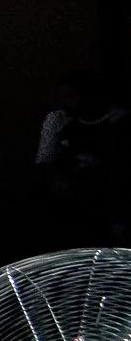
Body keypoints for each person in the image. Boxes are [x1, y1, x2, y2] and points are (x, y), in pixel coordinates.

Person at [35, 70, 130, 249]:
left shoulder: (118, 126)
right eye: (61, 97)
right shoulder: (68, 128)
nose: (65, 103)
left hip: (109, 207)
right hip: (76, 210)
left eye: (71, 96)